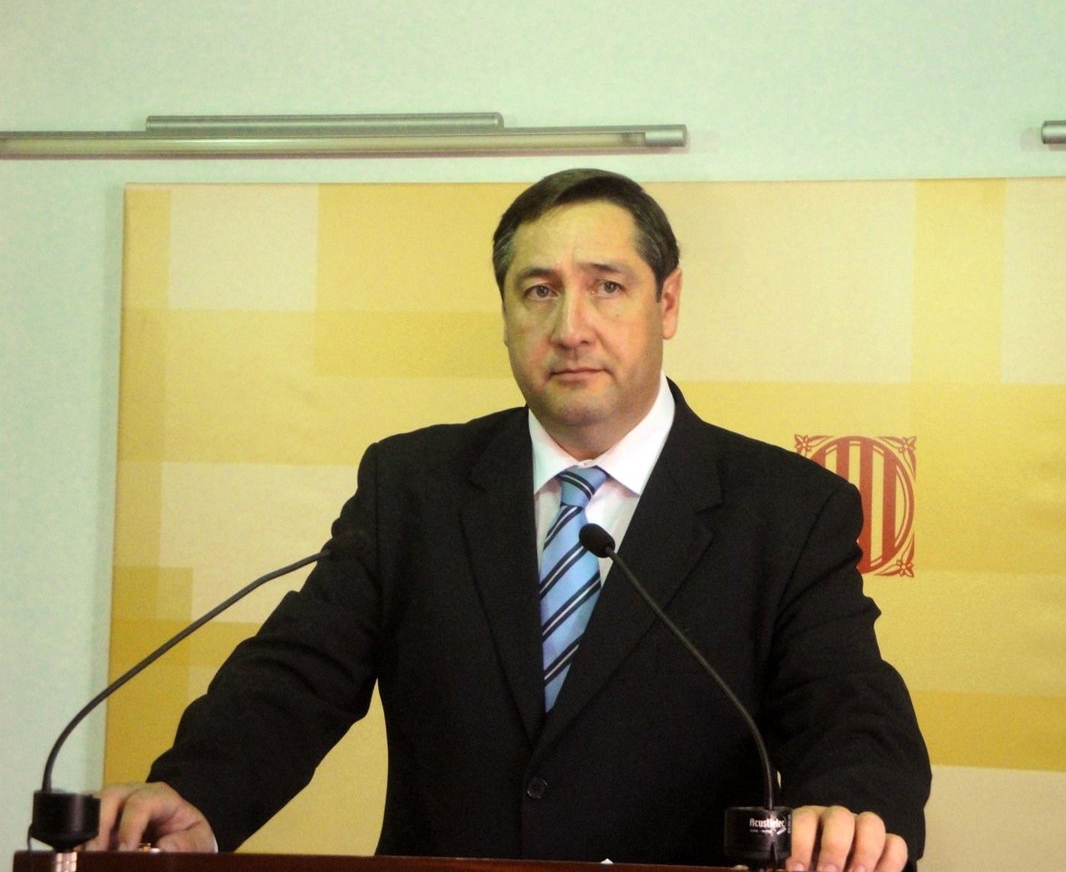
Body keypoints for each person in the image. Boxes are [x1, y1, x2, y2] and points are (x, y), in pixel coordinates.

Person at [90, 169, 930, 872]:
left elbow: (847, 703)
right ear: (505, 313)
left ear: (667, 303)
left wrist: (849, 810)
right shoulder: (414, 487)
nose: (571, 328)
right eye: (539, 291)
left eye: (607, 287)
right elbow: (297, 676)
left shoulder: (783, 509)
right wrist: (197, 792)